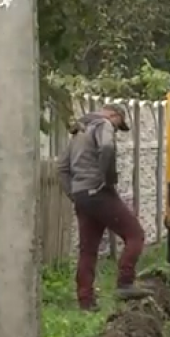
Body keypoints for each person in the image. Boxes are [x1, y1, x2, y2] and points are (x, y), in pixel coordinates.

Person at [57, 104, 148, 310]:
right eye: (118, 125)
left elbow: (61, 168)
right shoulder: (104, 124)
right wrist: (108, 179)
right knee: (135, 235)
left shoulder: (78, 133)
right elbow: (107, 147)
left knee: (87, 250)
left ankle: (86, 300)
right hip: (99, 193)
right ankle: (125, 282)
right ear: (113, 114)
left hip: (83, 196)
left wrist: (74, 193)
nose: (116, 129)